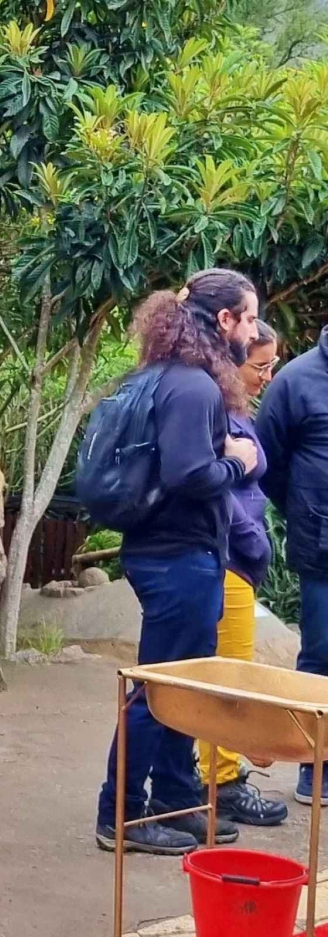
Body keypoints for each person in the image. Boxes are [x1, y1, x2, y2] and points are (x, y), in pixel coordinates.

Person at [95, 268, 262, 855]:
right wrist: (239, 461)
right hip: (178, 558)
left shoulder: (160, 378)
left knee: (180, 685)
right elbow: (189, 474)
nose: (254, 329)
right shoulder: (193, 387)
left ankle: (173, 798)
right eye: (248, 316)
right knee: (159, 688)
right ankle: (122, 815)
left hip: (165, 553)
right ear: (224, 321)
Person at [196, 321, 288, 826]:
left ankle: (211, 771)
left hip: (236, 559)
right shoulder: (217, 414)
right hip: (230, 557)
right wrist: (254, 545)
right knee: (229, 679)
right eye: (260, 366)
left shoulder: (233, 410)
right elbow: (221, 494)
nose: (268, 377)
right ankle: (222, 781)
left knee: (225, 672)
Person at [258, 322, 328, 804]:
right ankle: (313, 767)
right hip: (321, 544)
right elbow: (269, 462)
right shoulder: (296, 380)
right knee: (320, 656)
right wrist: (305, 510)